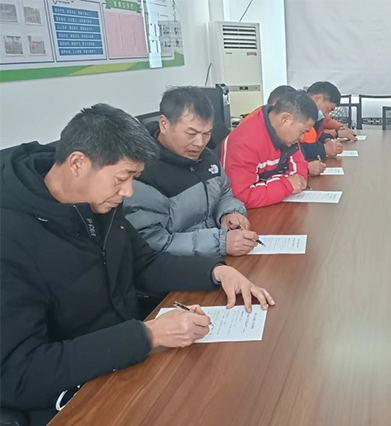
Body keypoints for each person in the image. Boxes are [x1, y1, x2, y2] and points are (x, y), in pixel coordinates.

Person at [0, 104, 275, 423]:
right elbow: (19, 375)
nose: (128, 191)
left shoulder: (98, 202)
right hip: (75, 399)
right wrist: (147, 335)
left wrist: (216, 271)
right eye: (122, 178)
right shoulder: (11, 239)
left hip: (127, 364)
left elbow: (143, 263)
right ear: (77, 164)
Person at [124, 87, 259, 258]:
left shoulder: (206, 157)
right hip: (181, 267)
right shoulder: (142, 172)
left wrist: (229, 213)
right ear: (164, 124)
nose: (200, 143)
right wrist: (220, 243)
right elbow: (154, 243)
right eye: (191, 133)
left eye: (207, 133)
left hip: (216, 256)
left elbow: (224, 193)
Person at [221, 89, 316, 208]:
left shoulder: (287, 137)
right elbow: (241, 196)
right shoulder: (245, 142)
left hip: (272, 207)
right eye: (302, 131)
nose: (302, 138)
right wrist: (285, 185)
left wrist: (276, 186)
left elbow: (299, 176)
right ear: (285, 119)